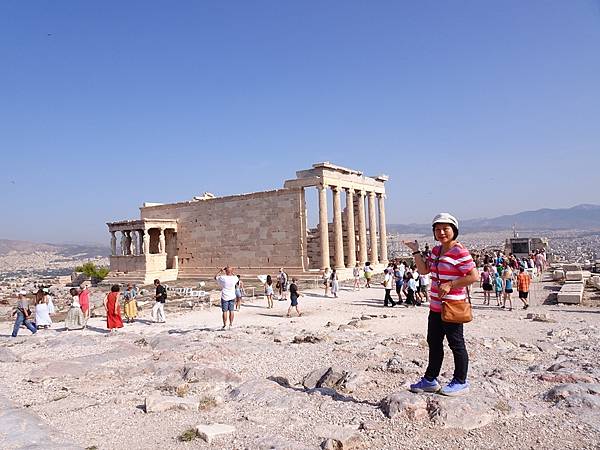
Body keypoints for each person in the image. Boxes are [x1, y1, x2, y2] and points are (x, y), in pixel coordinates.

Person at [404, 213, 479, 396]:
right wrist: (416, 251)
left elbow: (473, 276)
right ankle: (430, 379)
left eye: (446, 229)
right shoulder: (437, 251)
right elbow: (423, 270)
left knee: (456, 344)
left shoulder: (459, 251)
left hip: (453, 306)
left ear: (454, 230)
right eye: (438, 229)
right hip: (436, 306)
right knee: (434, 343)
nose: (442, 232)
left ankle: (461, 381)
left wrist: (451, 284)